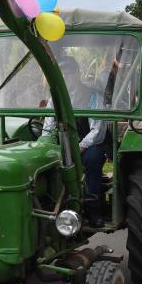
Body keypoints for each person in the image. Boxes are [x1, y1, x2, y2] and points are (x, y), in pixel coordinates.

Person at [42, 56, 107, 227]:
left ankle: (93, 209)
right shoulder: (53, 99)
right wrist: (46, 145)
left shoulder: (92, 95)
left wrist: (81, 146)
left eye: (69, 73)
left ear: (77, 74)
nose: (65, 77)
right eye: (62, 74)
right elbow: (48, 126)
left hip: (89, 143)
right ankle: (51, 209)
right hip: (63, 144)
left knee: (92, 160)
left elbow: (97, 128)